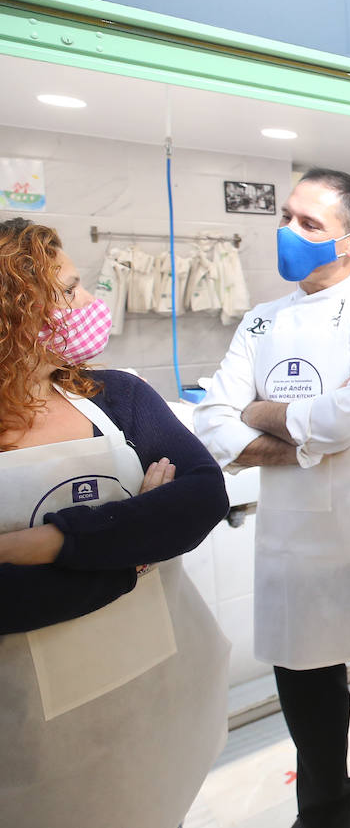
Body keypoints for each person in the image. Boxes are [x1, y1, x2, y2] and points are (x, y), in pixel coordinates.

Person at [195, 169, 350, 828]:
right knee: (308, 699)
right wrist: (309, 438)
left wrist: (262, 411)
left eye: (309, 223)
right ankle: (325, 816)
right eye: (286, 215)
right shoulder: (260, 320)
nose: (288, 231)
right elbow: (215, 425)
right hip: (288, 542)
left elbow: (339, 419)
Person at [0, 219, 231, 827]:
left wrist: (52, 542)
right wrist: (133, 551)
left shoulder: (116, 396)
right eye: (70, 291)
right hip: (27, 728)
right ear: (14, 311)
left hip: (156, 689)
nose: (88, 306)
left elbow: (201, 497)